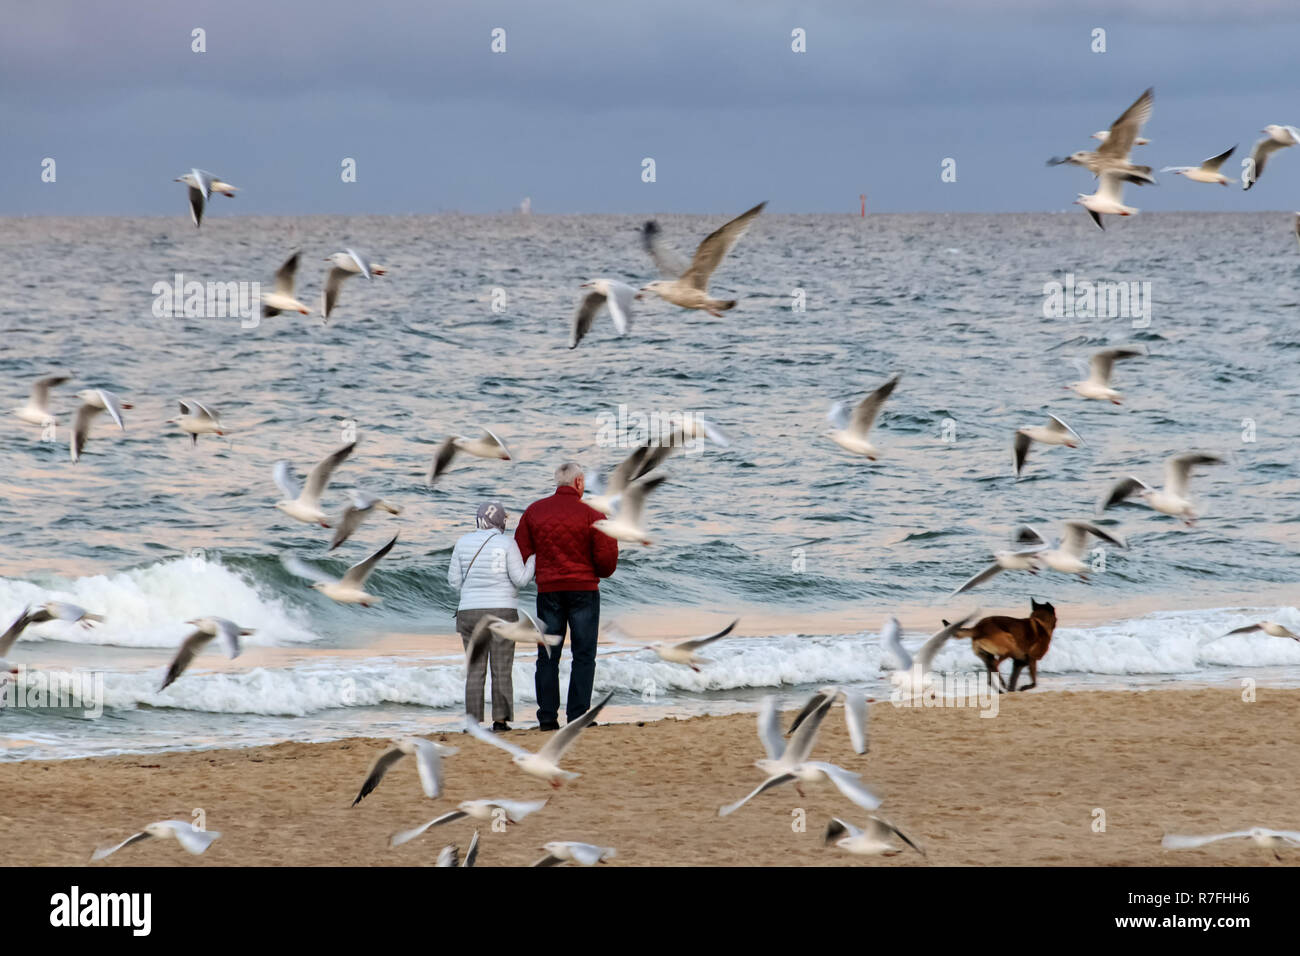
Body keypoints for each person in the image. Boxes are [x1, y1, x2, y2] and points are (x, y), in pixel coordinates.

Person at [514, 462, 618, 730]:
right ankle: (578, 717)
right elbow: (607, 560)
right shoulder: (592, 513)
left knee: (547, 655)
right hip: (584, 590)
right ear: (580, 482)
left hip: (548, 591)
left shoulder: (534, 511)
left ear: (557, 482)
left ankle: (547, 718)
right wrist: (592, 569)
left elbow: (521, 553)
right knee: (584, 655)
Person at [448, 500, 535, 732]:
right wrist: (533, 560)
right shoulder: (508, 544)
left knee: (475, 668)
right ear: (499, 521)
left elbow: (454, 582)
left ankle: (472, 722)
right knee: (501, 667)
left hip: (468, 612)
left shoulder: (462, 542)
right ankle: (501, 720)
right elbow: (521, 580)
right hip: (502, 611)